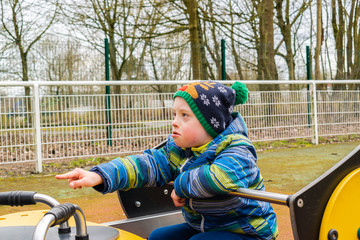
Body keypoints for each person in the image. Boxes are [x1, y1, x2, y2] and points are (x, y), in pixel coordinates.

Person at [56, 81, 278, 240]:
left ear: (212, 124)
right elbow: (145, 165)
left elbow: (219, 178)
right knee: (159, 236)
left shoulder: (237, 149)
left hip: (246, 230)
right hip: (205, 226)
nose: (174, 122)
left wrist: (181, 187)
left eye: (185, 116)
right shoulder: (180, 150)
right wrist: (99, 175)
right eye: (174, 114)